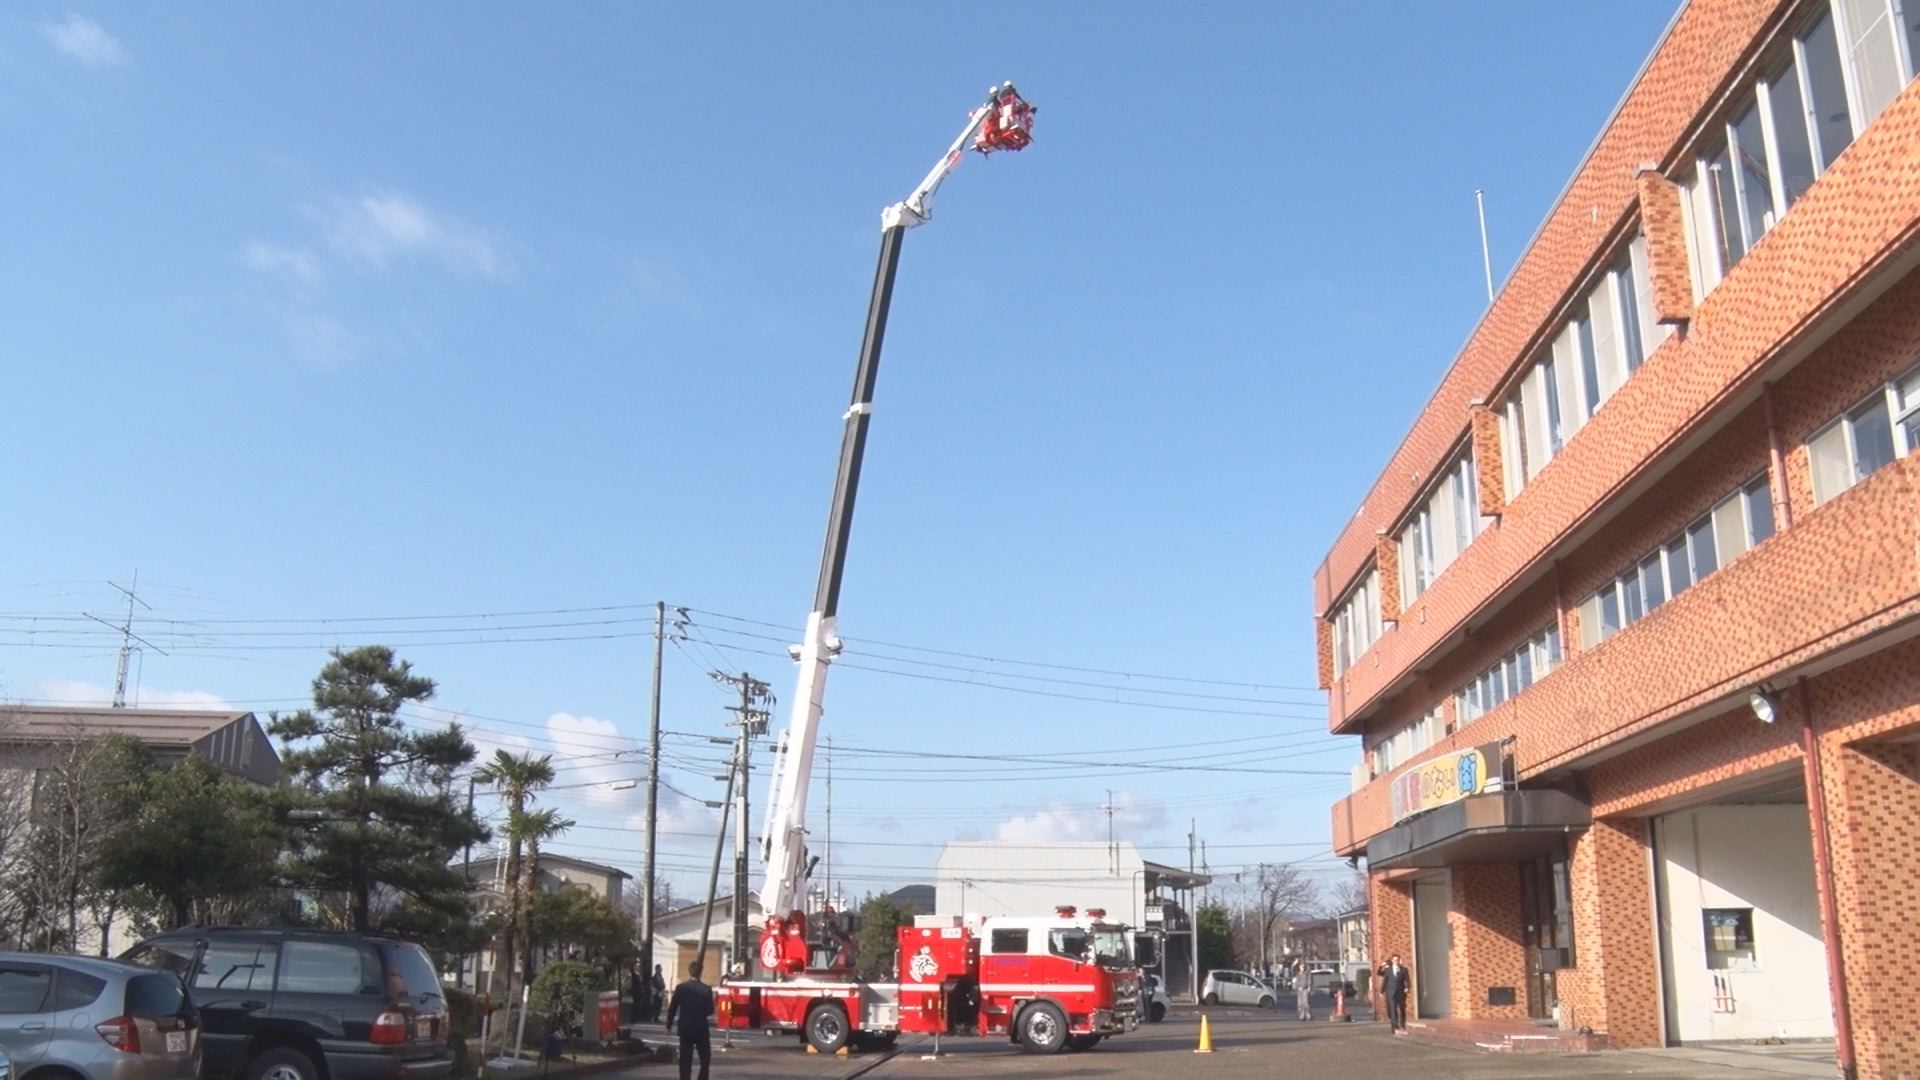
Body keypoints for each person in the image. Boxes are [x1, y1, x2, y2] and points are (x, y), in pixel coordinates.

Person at [666, 961, 715, 1080]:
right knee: (705, 1058)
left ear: (689, 972)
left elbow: (672, 1007)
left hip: (685, 1027)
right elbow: (710, 1010)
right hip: (700, 1028)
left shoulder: (681, 988)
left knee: (685, 1059)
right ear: (701, 973)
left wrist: (669, 1025)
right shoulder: (706, 989)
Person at [1377, 954, 1411, 1032]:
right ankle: (1395, 1026)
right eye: (1395, 960)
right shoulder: (1388, 970)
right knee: (1393, 1009)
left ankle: (1402, 1024)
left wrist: (1407, 987)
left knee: (1402, 1009)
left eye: (1398, 960)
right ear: (1392, 961)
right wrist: (1381, 991)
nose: (1396, 962)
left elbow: (1407, 980)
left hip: (1401, 992)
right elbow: (1384, 980)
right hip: (1391, 992)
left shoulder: (1404, 970)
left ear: (1400, 961)